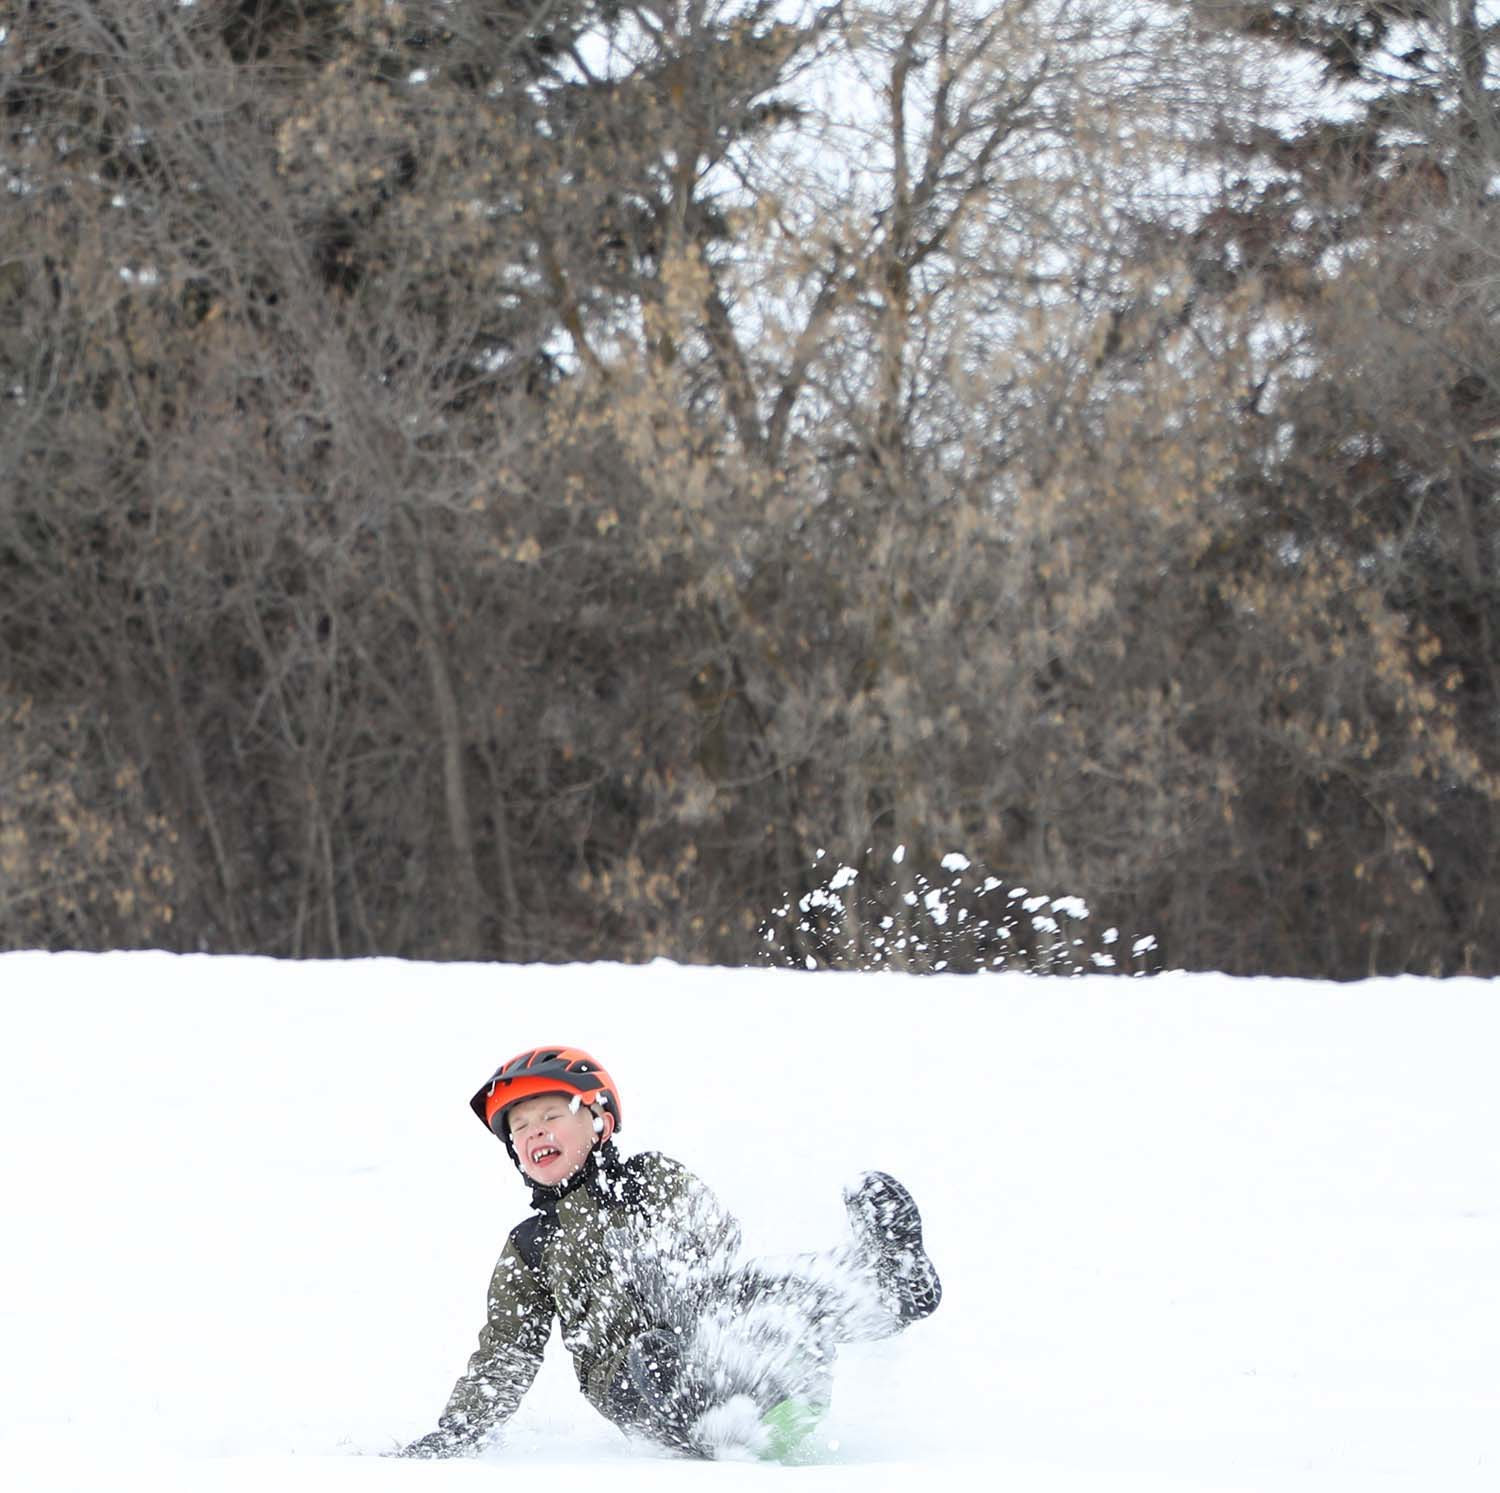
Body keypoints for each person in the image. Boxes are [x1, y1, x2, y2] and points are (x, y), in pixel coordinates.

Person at [400, 1045, 941, 1460]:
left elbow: (720, 1246)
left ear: (598, 1120)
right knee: (652, 1355)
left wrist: (692, 1283)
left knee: (761, 1287)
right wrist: (457, 1434)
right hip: (638, 1387)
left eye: (550, 1115)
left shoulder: (649, 1179)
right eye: (519, 1127)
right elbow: (507, 1352)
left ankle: (883, 1286)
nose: (533, 1132)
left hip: (730, 1349)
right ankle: (706, 1399)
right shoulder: (531, 1246)